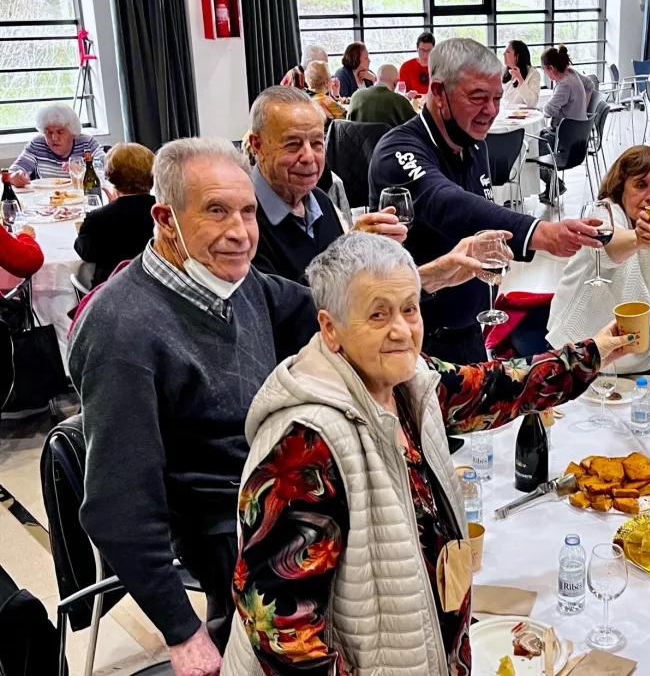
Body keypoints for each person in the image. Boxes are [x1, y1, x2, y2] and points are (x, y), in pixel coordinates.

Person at [68, 136, 506, 676]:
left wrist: (432, 274)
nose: (240, 232)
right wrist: (181, 633)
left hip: (283, 489)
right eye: (216, 212)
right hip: (226, 534)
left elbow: (339, 309)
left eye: (248, 211)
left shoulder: (234, 282)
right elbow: (117, 506)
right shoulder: (122, 328)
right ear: (164, 218)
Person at [221, 233, 636, 676]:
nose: (401, 330)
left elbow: (494, 387)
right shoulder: (304, 444)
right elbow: (278, 626)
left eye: (409, 308)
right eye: (377, 314)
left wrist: (593, 353)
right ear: (330, 328)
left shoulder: (407, 381)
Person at [369, 37, 603, 364]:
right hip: (413, 343)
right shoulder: (397, 150)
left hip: (472, 334)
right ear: (438, 92)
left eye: (496, 97)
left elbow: (483, 219)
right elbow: (446, 202)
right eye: (478, 97)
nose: (491, 111)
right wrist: (540, 232)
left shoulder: (474, 144)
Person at [547, 145, 650, 374]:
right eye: (641, 185)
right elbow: (610, 244)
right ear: (621, 188)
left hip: (639, 362)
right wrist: (639, 239)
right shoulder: (604, 215)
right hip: (576, 355)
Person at [248, 86, 355, 284]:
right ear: (258, 146)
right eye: (292, 144)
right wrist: (352, 253)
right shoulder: (243, 219)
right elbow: (275, 306)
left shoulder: (321, 201)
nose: (308, 157)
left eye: (317, 143)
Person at [74, 142, 157, 286]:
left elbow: (86, 253)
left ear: (110, 176)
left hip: (112, 290)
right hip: (159, 289)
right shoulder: (166, 212)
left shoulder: (98, 218)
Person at [537, 45, 595, 199]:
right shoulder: (572, 73)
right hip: (579, 135)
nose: (545, 74)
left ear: (551, 68)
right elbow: (590, 84)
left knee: (532, 146)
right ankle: (554, 185)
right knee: (539, 138)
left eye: (544, 70)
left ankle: (555, 184)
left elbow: (548, 110)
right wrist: (582, 108)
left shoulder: (564, 85)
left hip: (565, 138)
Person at [9, 103, 103, 186]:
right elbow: (12, 172)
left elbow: (109, 170)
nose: (54, 138)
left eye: (60, 132)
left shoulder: (87, 143)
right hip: (47, 200)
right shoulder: (37, 145)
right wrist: (14, 177)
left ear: (72, 132)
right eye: (49, 132)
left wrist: (84, 171)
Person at [347, 63, 416, 128]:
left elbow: (348, 124)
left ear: (377, 79)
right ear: (396, 82)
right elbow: (417, 126)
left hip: (357, 140)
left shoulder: (356, 96)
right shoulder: (399, 101)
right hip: (388, 140)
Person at [501, 39, 541, 108]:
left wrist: (520, 80)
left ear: (517, 56)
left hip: (523, 116)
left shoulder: (533, 74)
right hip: (505, 114)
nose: (503, 54)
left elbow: (532, 103)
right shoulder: (503, 71)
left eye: (507, 52)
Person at [399, 31, 435, 96]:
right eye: (422, 50)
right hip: (412, 104)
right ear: (417, 50)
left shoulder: (439, 67)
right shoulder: (406, 67)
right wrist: (408, 95)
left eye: (429, 51)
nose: (425, 54)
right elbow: (401, 93)